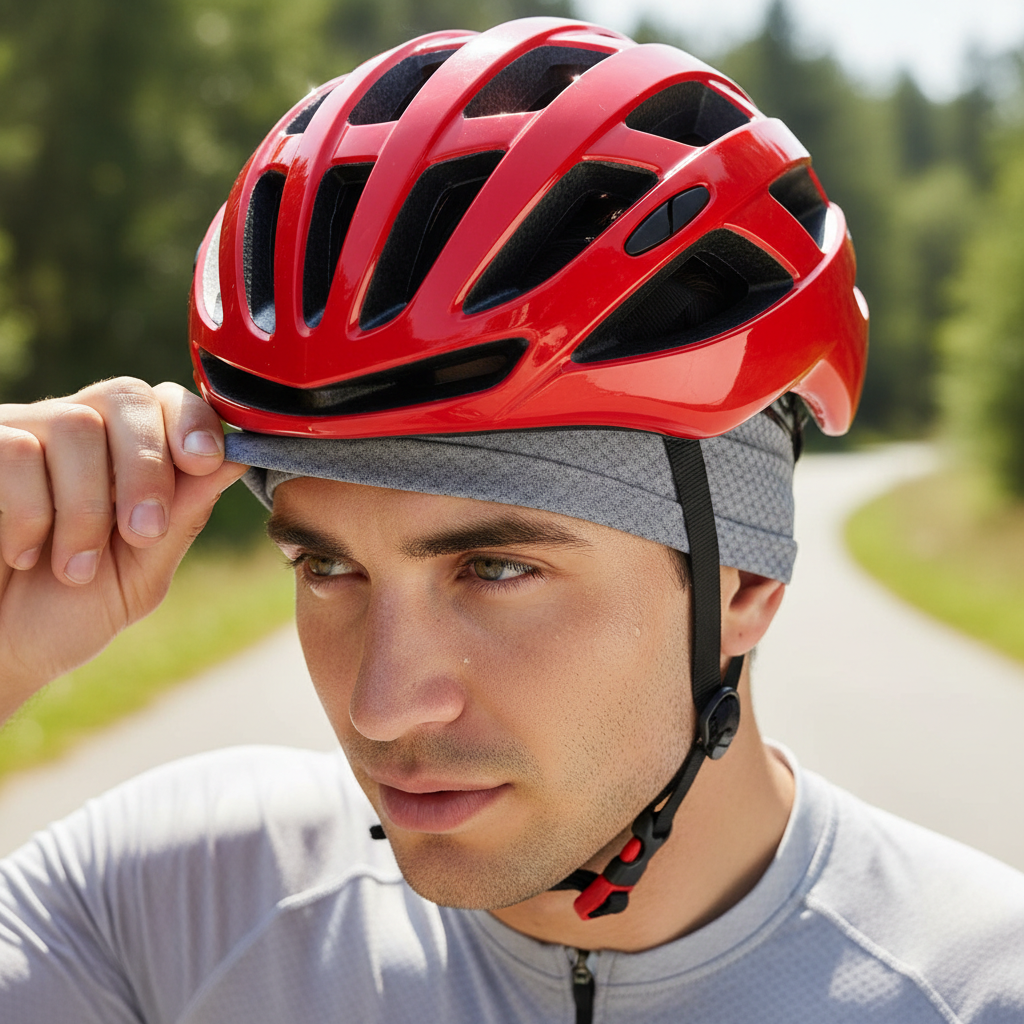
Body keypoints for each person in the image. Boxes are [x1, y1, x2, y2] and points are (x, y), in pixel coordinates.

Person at [0, 16, 1022, 1022]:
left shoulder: (977, 988)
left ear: (746, 580)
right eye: (326, 567)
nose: (382, 705)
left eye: (492, 570)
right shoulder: (163, 907)